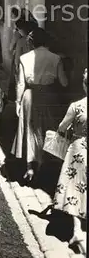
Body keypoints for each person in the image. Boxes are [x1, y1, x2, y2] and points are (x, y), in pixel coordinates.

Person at [11, 27, 68, 182]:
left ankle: (30, 167)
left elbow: (20, 84)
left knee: (29, 129)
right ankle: (43, 163)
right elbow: (63, 83)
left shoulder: (24, 58)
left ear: (32, 42)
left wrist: (17, 102)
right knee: (47, 128)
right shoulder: (56, 58)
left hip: (29, 96)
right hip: (49, 96)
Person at [43, 68, 87, 248]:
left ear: (84, 85)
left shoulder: (77, 106)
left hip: (79, 151)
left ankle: (77, 230)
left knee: (75, 188)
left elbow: (62, 127)